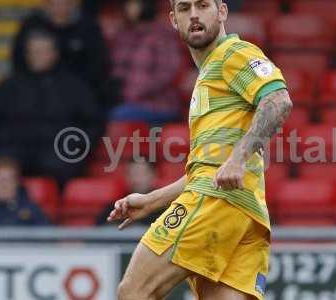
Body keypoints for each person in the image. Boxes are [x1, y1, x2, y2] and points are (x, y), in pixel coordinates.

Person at [108, 1, 292, 299]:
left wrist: (238, 159)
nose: (193, 14)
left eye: (203, 5)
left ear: (222, 12)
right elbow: (208, 170)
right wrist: (151, 201)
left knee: (134, 292)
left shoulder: (233, 54)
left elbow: (278, 101)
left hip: (216, 204)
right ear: (173, 20)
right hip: (244, 214)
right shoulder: (209, 76)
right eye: (184, 8)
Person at [0, 29, 101, 186]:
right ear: (26, 55)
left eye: (44, 51)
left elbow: (93, 123)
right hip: (16, 150)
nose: (39, 56)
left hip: (58, 150)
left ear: (55, 54)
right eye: (34, 52)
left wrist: (74, 145)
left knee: (60, 164)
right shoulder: (10, 86)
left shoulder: (74, 86)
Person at [12, 0, 110, 109]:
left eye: (65, 2)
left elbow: (98, 65)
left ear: (73, 3)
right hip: (35, 93)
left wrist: (77, 88)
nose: (60, 6)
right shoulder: (31, 24)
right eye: (55, 2)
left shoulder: (88, 26)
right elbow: (18, 60)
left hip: (78, 96)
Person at [109, 0, 182, 125]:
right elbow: (116, 70)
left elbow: (167, 73)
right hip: (123, 100)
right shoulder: (124, 33)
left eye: (134, 3)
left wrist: (134, 92)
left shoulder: (162, 34)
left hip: (158, 104)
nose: (129, 7)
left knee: (117, 115)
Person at [96, 160, 159, 225]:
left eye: (143, 174)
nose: (137, 179)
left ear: (153, 175)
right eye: (134, 174)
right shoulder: (117, 207)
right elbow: (100, 228)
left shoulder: (162, 207)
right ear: (127, 177)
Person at [0, 157, 50, 226]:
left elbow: (47, 233)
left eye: (9, 180)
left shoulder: (31, 209)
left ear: (17, 182)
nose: (4, 185)